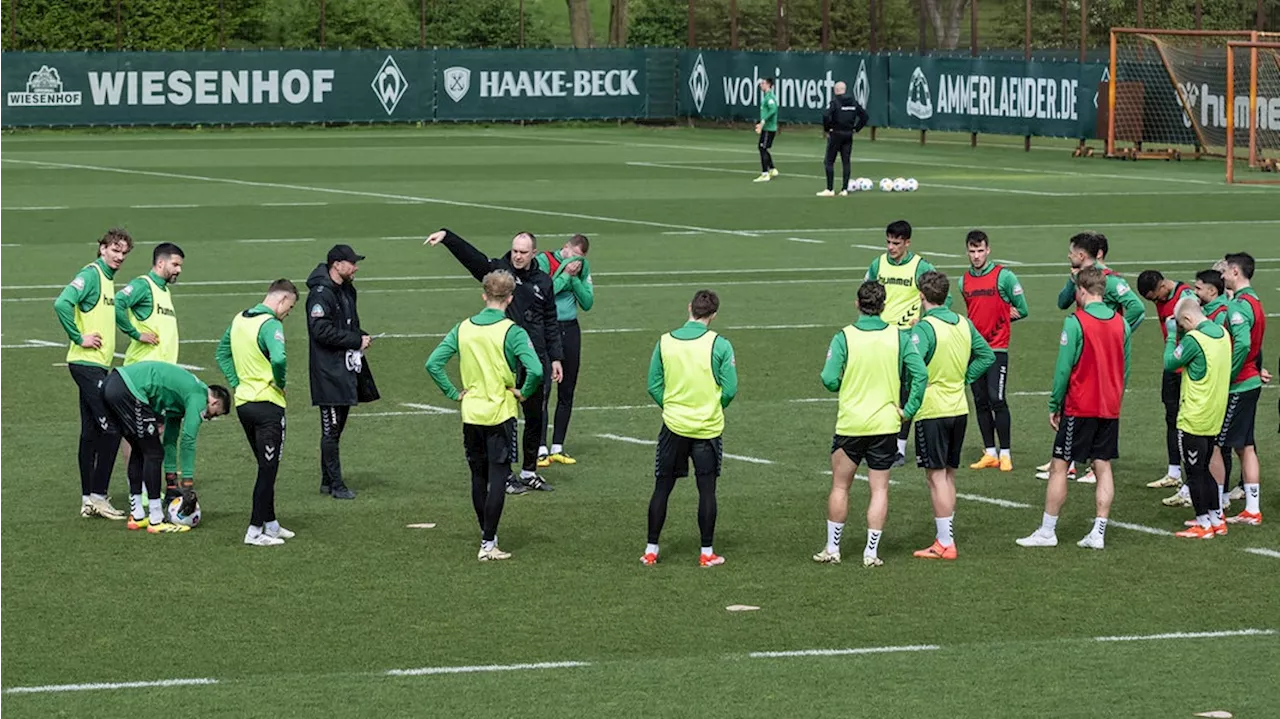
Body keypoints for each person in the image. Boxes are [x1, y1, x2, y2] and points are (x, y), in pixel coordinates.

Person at [425, 228, 563, 494]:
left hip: (537, 357)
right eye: (515, 251)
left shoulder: (543, 281)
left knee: (536, 417)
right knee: (507, 419)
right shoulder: (499, 273)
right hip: (508, 360)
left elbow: (550, 320)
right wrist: (448, 237)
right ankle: (507, 475)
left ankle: (529, 471)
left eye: (523, 252)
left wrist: (556, 357)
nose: (518, 256)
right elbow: (472, 258)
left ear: (534, 253)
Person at [426, 270, 544, 561]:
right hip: (500, 413)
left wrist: (454, 393)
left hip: (472, 413)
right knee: (498, 476)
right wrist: (523, 391)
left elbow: (433, 363)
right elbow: (538, 369)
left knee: (478, 477)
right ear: (510, 298)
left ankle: (486, 535)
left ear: (484, 296)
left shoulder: (463, 327)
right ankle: (488, 543)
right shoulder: (512, 331)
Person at [815, 281, 927, 568]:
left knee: (840, 487)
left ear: (857, 304)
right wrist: (909, 409)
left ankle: (833, 548)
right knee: (880, 490)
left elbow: (828, 378)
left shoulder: (844, 337)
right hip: (886, 424)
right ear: (884, 306)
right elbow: (920, 374)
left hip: (851, 424)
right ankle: (871, 552)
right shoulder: (898, 337)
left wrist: (843, 383)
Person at [1018, 267, 1130, 550]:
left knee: (1059, 466)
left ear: (1081, 290)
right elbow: (1124, 368)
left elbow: (1063, 369)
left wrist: (1055, 404)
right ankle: (1098, 532)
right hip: (1109, 407)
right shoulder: (1122, 324)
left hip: (1080, 407)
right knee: (1103, 466)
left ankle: (1047, 531)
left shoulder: (1075, 322)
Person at [1036, 232, 1142, 482]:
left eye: (1071, 252)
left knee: (1091, 401)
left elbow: (1137, 307)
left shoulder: (1112, 281)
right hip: (1082, 340)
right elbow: (1062, 302)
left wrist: (1116, 334)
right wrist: (1071, 282)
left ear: (1081, 255)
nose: (1068, 255)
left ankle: (1090, 465)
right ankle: (1068, 461)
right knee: (1075, 395)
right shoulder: (1079, 279)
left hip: (1100, 351)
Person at [642, 290, 738, 567]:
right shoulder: (720, 344)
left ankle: (651, 549)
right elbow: (730, 388)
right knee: (707, 490)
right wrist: (713, 406)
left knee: (662, 488)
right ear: (714, 315)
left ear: (689, 308)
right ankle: (706, 552)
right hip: (707, 428)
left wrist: (670, 405)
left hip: (673, 425)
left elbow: (653, 385)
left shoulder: (665, 342)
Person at [911, 272, 995, 559]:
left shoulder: (924, 329)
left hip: (932, 410)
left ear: (922, 296)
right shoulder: (963, 323)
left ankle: (945, 542)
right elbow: (987, 356)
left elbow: (914, 369)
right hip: (959, 408)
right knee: (948, 474)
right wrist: (963, 379)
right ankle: (945, 536)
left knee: (935, 477)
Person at [52, 228, 134, 520]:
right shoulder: (91, 275)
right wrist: (79, 337)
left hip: (94, 365)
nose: (119, 256)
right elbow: (61, 303)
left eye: (124, 252)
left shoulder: (107, 280)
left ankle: (88, 499)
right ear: (102, 249)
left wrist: (134, 332)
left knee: (90, 432)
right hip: (86, 364)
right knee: (113, 428)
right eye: (115, 250)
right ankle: (99, 496)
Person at [101, 361, 231, 533]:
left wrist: (171, 482)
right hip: (130, 389)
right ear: (213, 402)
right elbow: (188, 440)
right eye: (213, 414)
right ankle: (156, 520)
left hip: (113, 384)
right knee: (153, 454)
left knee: (139, 449)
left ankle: (137, 516)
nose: (208, 418)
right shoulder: (198, 397)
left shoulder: (181, 398)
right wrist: (187, 484)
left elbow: (170, 439)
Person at [216, 279, 298, 547]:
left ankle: (271, 523)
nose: (288, 313)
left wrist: (236, 381)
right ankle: (254, 530)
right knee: (268, 469)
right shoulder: (270, 324)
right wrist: (280, 382)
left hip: (244, 405)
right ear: (282, 300)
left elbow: (222, 353)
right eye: (291, 307)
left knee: (266, 465)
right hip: (268, 405)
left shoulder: (240, 318)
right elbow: (279, 358)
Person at [863, 220, 950, 466]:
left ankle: (899, 448)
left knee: (904, 391)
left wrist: (924, 319)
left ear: (907, 243)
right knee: (880, 389)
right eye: (888, 242)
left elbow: (944, 296)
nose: (891, 247)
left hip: (906, 339)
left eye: (896, 243)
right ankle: (878, 442)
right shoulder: (877, 264)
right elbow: (865, 290)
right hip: (880, 336)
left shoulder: (920, 266)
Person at [306, 244, 377, 501]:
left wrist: (359, 335)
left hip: (343, 368)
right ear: (337, 264)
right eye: (352, 263)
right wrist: (354, 340)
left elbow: (346, 324)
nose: (356, 267)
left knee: (336, 428)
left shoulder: (346, 290)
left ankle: (328, 481)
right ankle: (336, 484)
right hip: (328, 372)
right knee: (331, 429)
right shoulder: (321, 294)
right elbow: (320, 331)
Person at [115, 241, 185, 496]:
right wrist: (135, 333)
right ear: (160, 262)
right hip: (140, 376)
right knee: (136, 431)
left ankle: (151, 481)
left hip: (161, 379)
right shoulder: (144, 285)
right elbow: (118, 303)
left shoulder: (164, 291)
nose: (178, 270)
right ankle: (138, 485)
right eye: (175, 264)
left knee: (158, 429)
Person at [959, 231, 1029, 472]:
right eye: (972, 251)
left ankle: (1006, 453)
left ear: (988, 250)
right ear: (967, 251)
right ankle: (990, 452)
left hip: (997, 348)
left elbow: (1022, 309)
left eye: (980, 251)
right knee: (980, 400)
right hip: (974, 350)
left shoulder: (1004, 277)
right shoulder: (964, 281)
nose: (976, 256)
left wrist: (1002, 322)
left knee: (997, 398)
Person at [1162, 302, 1232, 538]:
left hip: (1194, 416)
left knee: (1194, 472)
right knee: (1205, 468)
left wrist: (1172, 335)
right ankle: (1216, 518)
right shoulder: (1223, 333)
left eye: (1183, 324)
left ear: (1188, 320)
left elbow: (1170, 363)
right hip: (1215, 414)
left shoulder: (1194, 339)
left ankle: (1203, 524)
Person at [533, 234, 594, 467]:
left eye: (580, 258)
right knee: (544, 389)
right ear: (565, 248)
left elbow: (588, 303)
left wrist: (575, 279)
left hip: (570, 329)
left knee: (567, 388)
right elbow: (543, 294)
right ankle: (540, 447)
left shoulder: (582, 269)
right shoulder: (545, 261)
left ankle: (558, 445)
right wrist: (565, 276)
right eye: (572, 255)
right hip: (547, 329)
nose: (575, 262)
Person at [1136, 269, 1197, 491]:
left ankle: (1193, 478)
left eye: (1154, 297)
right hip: (1172, 364)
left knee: (1189, 422)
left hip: (1189, 368)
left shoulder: (1186, 297)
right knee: (1171, 418)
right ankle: (1174, 472)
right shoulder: (1160, 296)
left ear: (1162, 286)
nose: (1155, 302)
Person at [1219, 252, 1267, 525]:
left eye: (1225, 270)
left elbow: (1244, 345)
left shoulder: (1238, 306)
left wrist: (1228, 373)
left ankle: (1214, 509)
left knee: (1218, 445)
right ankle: (1252, 508)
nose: (1223, 275)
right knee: (1245, 446)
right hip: (1251, 382)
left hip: (1238, 384)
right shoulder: (1256, 302)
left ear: (1236, 272)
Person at [817, 80, 868, 197]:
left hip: (836, 134)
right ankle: (844, 189)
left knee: (829, 161)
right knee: (846, 161)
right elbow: (865, 116)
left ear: (836, 90)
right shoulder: (853, 102)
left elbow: (825, 115)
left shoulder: (835, 102)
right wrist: (856, 128)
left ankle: (830, 189)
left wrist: (827, 128)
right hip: (848, 134)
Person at [753, 77, 779, 182]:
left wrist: (763, 121)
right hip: (767, 128)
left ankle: (765, 173)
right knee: (763, 148)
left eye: (763, 83)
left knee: (762, 148)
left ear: (768, 85)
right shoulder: (767, 97)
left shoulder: (770, 97)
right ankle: (772, 169)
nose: (761, 85)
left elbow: (773, 109)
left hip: (769, 128)